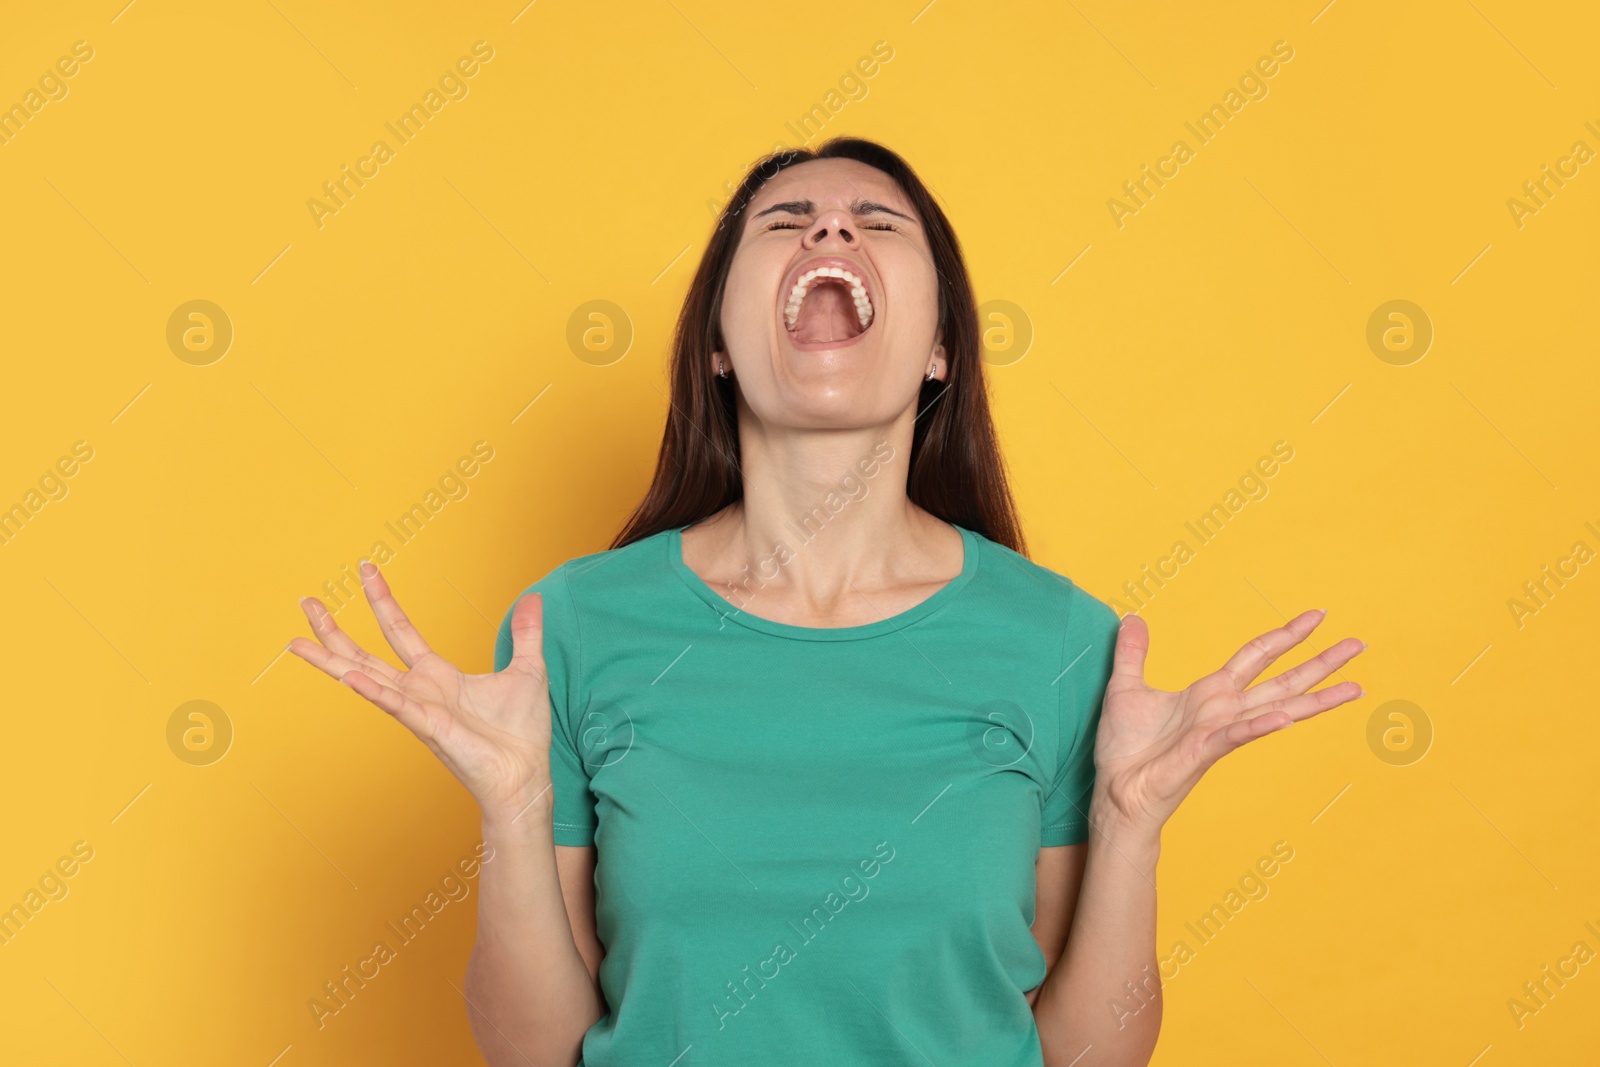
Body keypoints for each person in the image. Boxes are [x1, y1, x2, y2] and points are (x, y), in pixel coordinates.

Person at [288, 137, 1364, 1067]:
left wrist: (1131, 823)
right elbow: (535, 1048)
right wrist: (512, 809)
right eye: (788, 221)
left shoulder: (1062, 642)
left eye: (875, 223)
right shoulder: (566, 631)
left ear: (941, 347)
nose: (831, 238)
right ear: (716, 340)